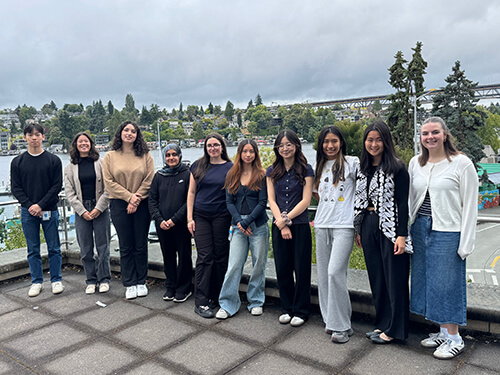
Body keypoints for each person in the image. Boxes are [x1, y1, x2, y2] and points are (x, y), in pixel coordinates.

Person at [408, 117, 478, 359]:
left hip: (448, 230)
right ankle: (442, 331)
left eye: (435, 132)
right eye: (425, 133)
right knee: (428, 281)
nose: (430, 137)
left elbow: (470, 205)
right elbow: (410, 200)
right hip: (420, 227)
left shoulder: (461, 163)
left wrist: (466, 242)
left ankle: (455, 338)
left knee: (448, 283)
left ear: (445, 134)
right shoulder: (416, 163)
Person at [354, 120, 412, 344]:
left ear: (386, 141)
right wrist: (359, 229)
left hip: (390, 227)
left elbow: (402, 204)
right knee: (377, 277)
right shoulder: (363, 168)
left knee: (395, 279)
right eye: (370, 139)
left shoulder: (397, 168)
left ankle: (396, 329)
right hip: (368, 224)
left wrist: (401, 235)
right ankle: (382, 323)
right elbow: (360, 201)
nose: (374, 144)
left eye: (378, 139)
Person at [313, 126, 359, 343]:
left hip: (344, 225)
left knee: (335, 272)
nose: (330, 146)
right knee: (324, 275)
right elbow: (318, 195)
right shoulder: (319, 166)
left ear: (341, 142)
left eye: (334, 141)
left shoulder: (353, 163)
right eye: (326, 142)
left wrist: (360, 225)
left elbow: (362, 193)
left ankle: (341, 325)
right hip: (322, 224)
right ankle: (332, 321)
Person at [216, 139, 269, 320]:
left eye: (251, 151)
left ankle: (256, 301)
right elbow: (229, 202)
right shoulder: (232, 174)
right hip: (238, 227)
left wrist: (247, 222)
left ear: (255, 154)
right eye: (245, 151)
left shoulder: (262, 174)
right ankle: (228, 303)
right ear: (240, 153)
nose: (248, 155)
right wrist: (240, 222)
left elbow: (263, 202)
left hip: (258, 225)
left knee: (258, 265)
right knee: (234, 266)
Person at [10, 123, 64, 297]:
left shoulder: (53, 160)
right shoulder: (17, 162)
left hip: (49, 210)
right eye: (30, 134)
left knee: (54, 247)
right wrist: (30, 205)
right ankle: (37, 281)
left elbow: (56, 186)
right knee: (32, 249)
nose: (34, 138)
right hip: (28, 212)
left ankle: (56, 279)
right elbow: (16, 188)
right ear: (25, 137)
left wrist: (40, 205)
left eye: (37, 134)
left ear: (43, 137)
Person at [267, 130, 314, 327]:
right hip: (278, 225)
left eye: (289, 144)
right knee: (283, 267)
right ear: (277, 148)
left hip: (300, 225)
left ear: (296, 146)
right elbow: (271, 199)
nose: (285, 148)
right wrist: (280, 222)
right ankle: (286, 307)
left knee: (301, 268)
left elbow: (306, 200)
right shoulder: (271, 171)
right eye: (281, 145)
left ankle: (302, 310)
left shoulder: (306, 169)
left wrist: (286, 220)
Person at [102, 121, 154, 300]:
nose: (129, 133)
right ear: (120, 133)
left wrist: (136, 198)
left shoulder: (145, 155)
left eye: (133, 131)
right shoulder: (109, 156)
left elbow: (149, 180)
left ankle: (141, 280)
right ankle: (129, 282)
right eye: (126, 130)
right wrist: (128, 197)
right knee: (125, 245)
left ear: (137, 135)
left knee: (140, 244)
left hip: (142, 204)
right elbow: (108, 182)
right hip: (118, 204)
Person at [187, 133, 233, 318]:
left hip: (222, 216)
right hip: (201, 216)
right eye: (209, 145)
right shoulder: (198, 166)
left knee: (221, 257)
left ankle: (218, 297)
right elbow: (191, 192)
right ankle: (201, 301)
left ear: (222, 147)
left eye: (216, 145)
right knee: (205, 257)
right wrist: (189, 218)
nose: (213, 148)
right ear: (205, 148)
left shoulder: (231, 167)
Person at [65, 132, 111, 294]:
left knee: (103, 246)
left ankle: (104, 278)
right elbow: (69, 194)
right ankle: (91, 279)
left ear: (91, 144)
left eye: (86, 141)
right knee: (85, 247)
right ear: (76, 145)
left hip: (100, 207)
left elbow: (108, 188)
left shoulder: (101, 163)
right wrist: (82, 211)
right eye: (80, 142)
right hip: (81, 209)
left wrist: (99, 208)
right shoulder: (70, 167)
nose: (83, 144)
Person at [149, 143, 192, 303]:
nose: (171, 158)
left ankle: (184, 288)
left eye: (174, 154)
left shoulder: (187, 174)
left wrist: (174, 220)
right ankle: (171, 286)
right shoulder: (159, 175)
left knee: (184, 256)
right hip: (162, 225)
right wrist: (159, 220)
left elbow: (189, 200)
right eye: (168, 155)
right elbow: (152, 200)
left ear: (179, 156)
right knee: (168, 256)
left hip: (180, 224)